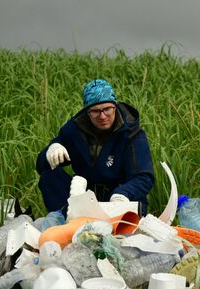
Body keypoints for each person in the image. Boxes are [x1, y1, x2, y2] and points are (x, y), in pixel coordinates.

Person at [36, 79, 155, 215]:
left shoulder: (132, 134)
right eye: (95, 111)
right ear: (87, 112)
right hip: (86, 196)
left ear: (114, 106)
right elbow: (41, 167)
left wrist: (122, 194)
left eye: (107, 109)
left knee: (131, 198)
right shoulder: (74, 131)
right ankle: (66, 222)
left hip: (120, 198)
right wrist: (51, 150)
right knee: (49, 176)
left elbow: (144, 177)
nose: (102, 116)